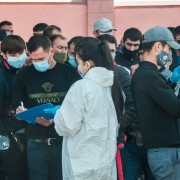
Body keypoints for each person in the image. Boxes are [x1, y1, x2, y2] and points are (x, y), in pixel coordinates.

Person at [53, 41, 124, 179]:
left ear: (87, 64)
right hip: (104, 163)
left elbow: (67, 127)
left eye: (78, 62)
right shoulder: (111, 87)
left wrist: (58, 114)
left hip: (82, 164)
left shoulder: (82, 86)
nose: (77, 66)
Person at [12, 35, 80, 180]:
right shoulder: (23, 75)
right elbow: (16, 106)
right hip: (35, 142)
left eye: (41, 58)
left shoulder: (68, 73)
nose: (37, 63)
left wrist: (57, 118)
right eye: (33, 59)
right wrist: (20, 112)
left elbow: (78, 106)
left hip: (64, 141)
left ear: (52, 52)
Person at [131, 26, 180, 180]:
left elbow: (161, 102)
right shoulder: (149, 76)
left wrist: (172, 83)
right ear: (158, 46)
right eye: (169, 48)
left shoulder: (147, 74)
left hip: (163, 151)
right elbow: (177, 108)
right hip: (165, 152)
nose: (170, 53)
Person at [0, 35, 28, 180]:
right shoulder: (2, 74)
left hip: (31, 128)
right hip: (7, 130)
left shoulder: (30, 70)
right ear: (4, 55)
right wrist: (11, 110)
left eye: (20, 53)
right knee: (12, 171)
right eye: (12, 54)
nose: (18, 57)